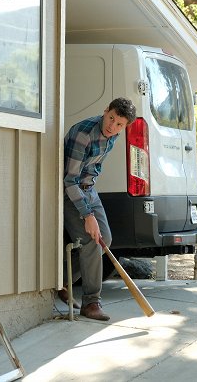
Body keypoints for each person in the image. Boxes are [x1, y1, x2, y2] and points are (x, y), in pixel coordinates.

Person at [60, 97, 137, 321]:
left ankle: (61, 281)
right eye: (111, 118)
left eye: (119, 124)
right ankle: (91, 302)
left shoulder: (114, 135)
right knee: (93, 241)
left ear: (125, 126)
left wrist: (91, 204)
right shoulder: (84, 134)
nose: (112, 126)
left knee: (106, 239)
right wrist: (87, 215)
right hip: (70, 192)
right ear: (105, 111)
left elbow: (94, 167)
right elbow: (69, 180)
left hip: (89, 189)